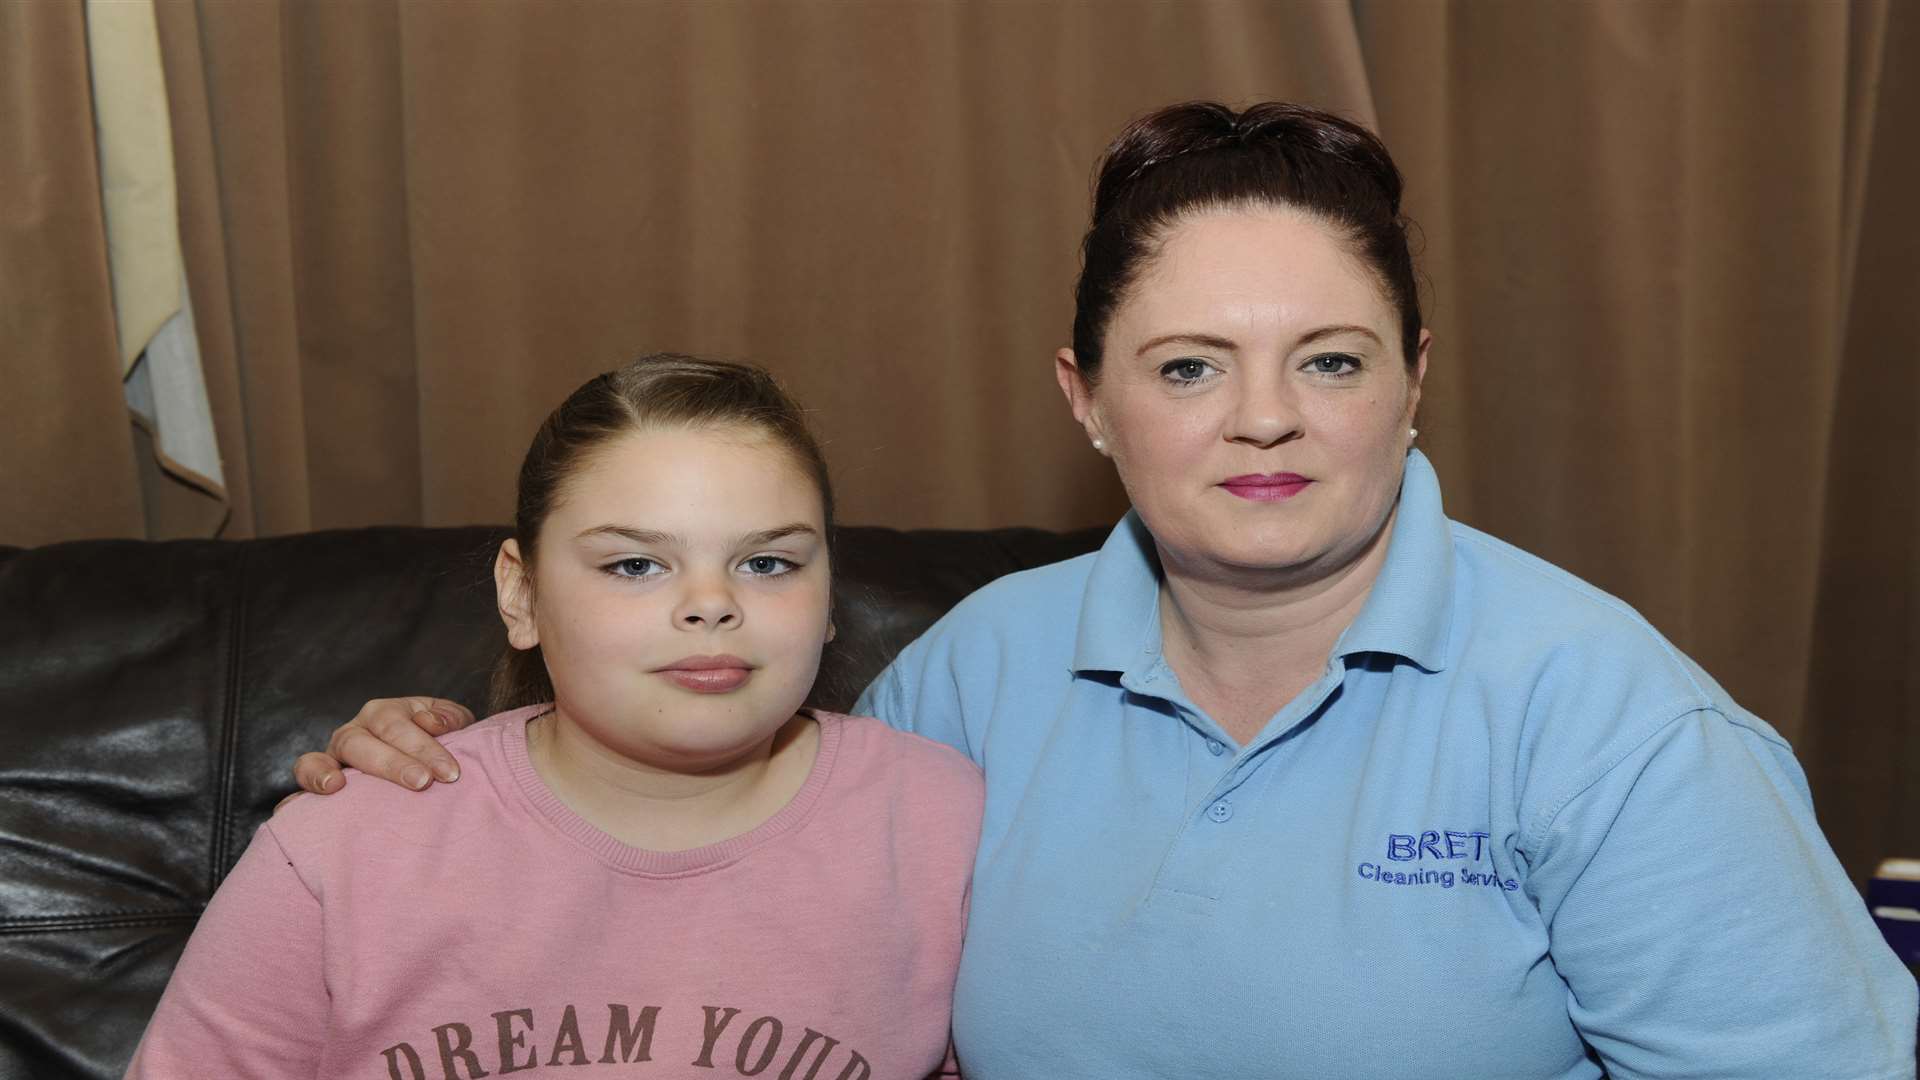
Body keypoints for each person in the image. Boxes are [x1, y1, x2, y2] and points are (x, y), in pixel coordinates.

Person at [288, 104, 1919, 1078]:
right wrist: (436, 771)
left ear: (1415, 383)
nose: (1263, 418)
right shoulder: (968, 679)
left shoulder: (1608, 719)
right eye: (1189, 364)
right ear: (1086, 396)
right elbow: (695, 846)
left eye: (1330, 362)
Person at [128, 355, 981, 1079]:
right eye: (636, 564)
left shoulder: (946, 826)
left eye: (767, 561)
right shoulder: (344, 846)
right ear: (521, 592)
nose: (712, 603)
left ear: (830, 593)